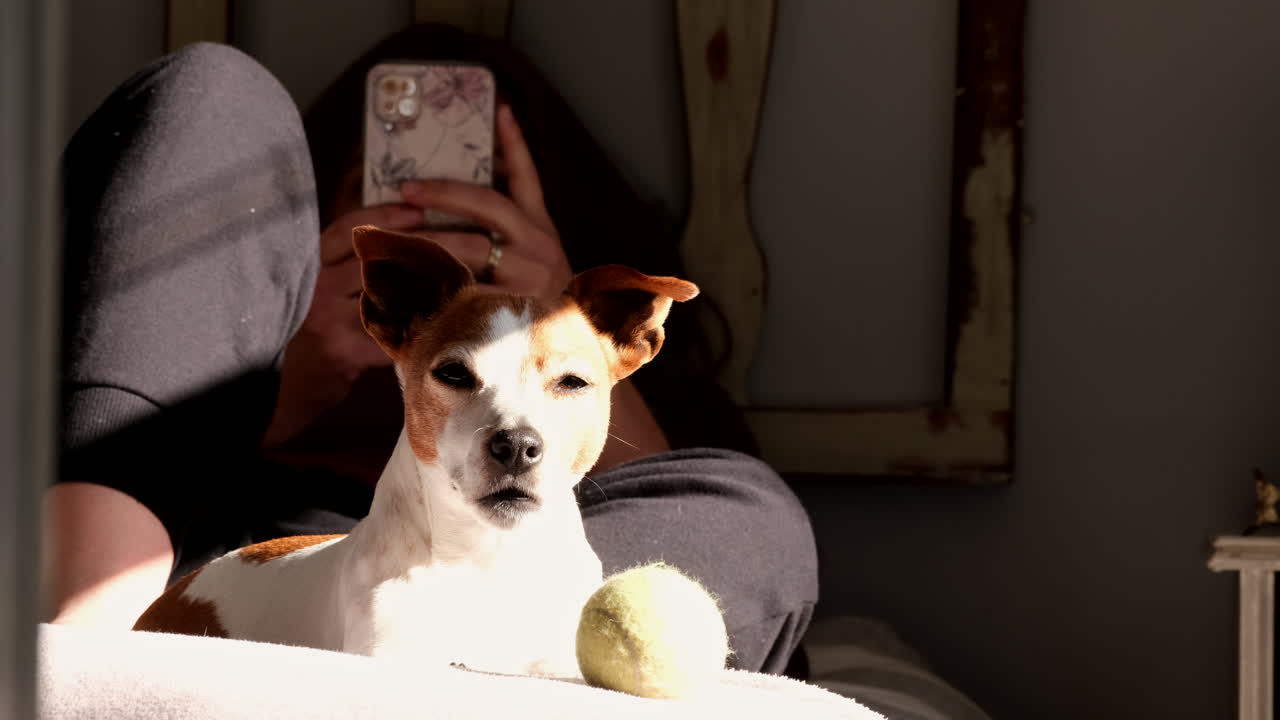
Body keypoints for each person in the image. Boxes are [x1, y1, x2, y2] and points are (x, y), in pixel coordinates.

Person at [43, 23, 818, 676]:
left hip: (566, 574)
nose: (437, 232)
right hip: (215, 549)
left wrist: (557, 318)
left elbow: (679, 485)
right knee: (210, 92)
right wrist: (277, 374)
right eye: (394, 188)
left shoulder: (586, 318)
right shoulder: (274, 304)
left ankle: (563, 648)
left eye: (480, 200)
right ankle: (80, 642)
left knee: (754, 505)